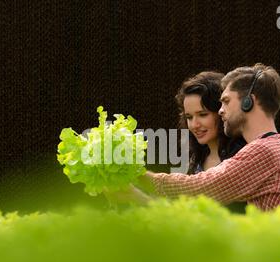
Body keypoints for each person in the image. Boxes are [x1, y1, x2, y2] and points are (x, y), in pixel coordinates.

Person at [132, 63, 280, 211]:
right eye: (189, 117)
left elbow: (202, 187)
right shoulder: (276, 146)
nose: (221, 110)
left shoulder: (265, 151)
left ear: (248, 102)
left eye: (227, 101)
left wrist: (137, 175)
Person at [103, 70, 246, 206]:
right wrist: (131, 195)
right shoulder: (196, 159)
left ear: (222, 112)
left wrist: (137, 176)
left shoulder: (242, 156)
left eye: (203, 114)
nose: (194, 125)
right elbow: (184, 214)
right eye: (189, 117)